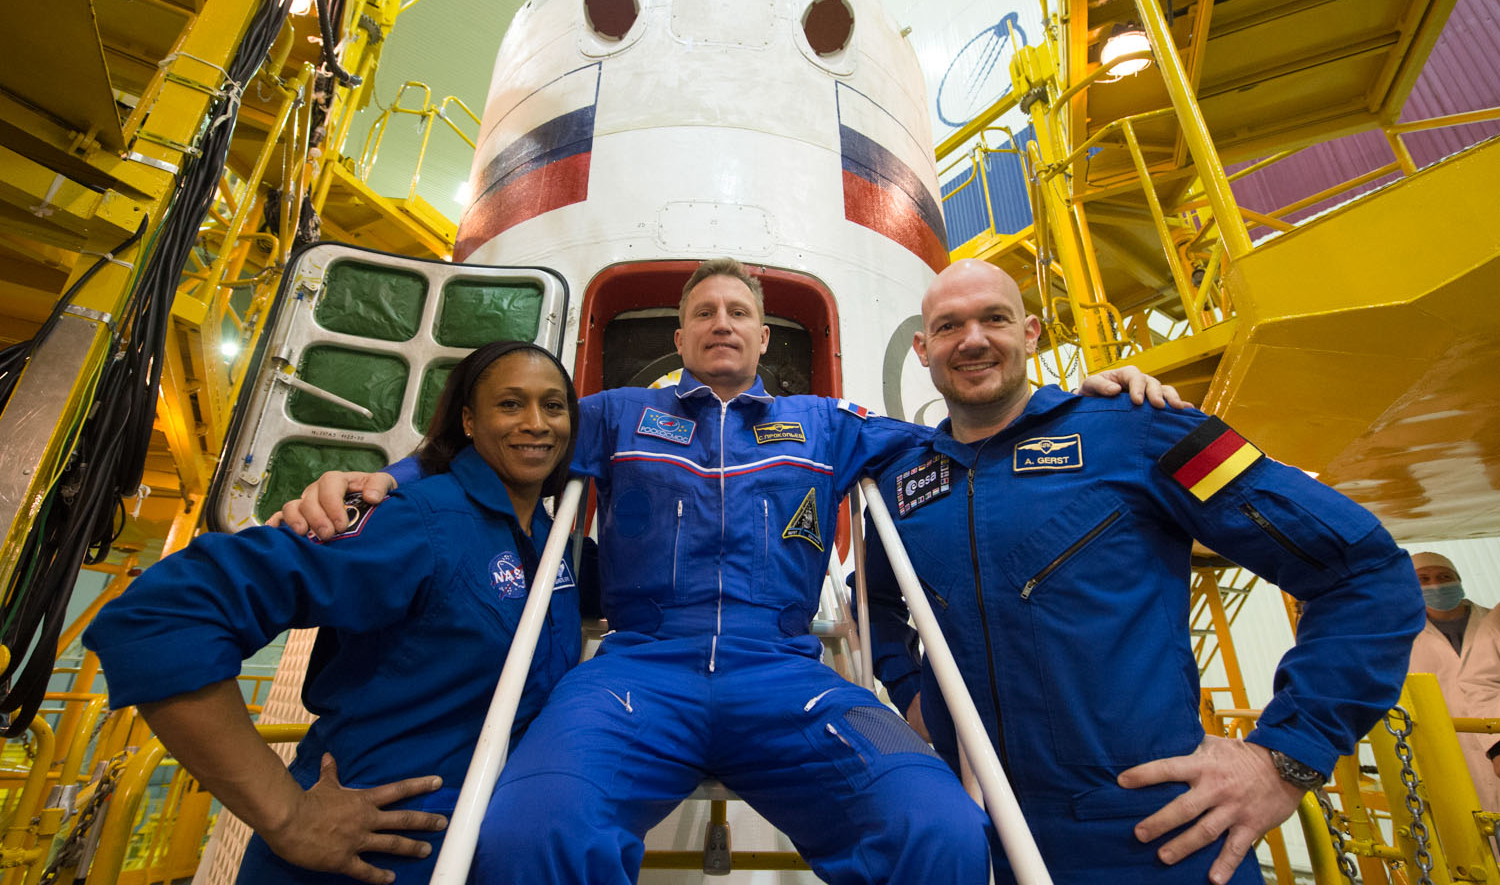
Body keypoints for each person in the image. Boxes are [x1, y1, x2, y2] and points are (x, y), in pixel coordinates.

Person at [277, 258, 1178, 885]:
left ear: (761, 334)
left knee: (940, 829)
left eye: (737, 312)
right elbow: (504, 439)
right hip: (637, 672)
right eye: (704, 312)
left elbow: (967, 434)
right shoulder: (617, 413)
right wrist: (381, 478)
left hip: (787, 676)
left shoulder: (824, 423)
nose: (721, 324)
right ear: (680, 332)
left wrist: (1072, 402)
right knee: (526, 832)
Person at [861, 259, 1426, 885]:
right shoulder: (903, 481)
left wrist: (1286, 757)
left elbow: (1365, 572)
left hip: (1157, 836)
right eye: (949, 326)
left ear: (1032, 333)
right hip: (977, 834)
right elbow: (876, 603)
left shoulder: (1145, 428)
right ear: (922, 348)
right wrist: (913, 694)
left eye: (994, 318)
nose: (972, 340)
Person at [83, 341, 585, 885]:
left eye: (553, 406)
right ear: (468, 420)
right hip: (358, 860)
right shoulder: (416, 523)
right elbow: (161, 615)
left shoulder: (550, 543)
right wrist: (289, 816)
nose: (536, 423)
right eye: (510, 405)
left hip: (478, 849)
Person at [1408, 550, 1500, 811]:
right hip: (1442, 747)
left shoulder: (1492, 622)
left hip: (1495, 735)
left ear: (1458, 580)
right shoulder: (1401, 637)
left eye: (1444, 576)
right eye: (1423, 579)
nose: (1436, 585)